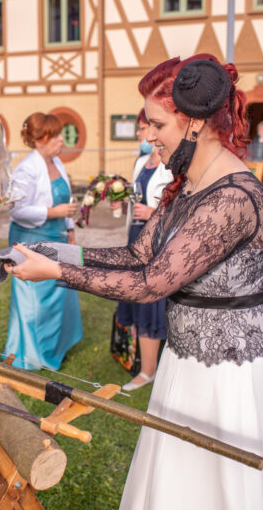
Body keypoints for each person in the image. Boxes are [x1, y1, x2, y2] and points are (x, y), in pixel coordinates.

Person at [3, 55, 263, 508]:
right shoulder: (188, 185)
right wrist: (56, 251)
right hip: (185, 366)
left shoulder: (231, 196)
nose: (149, 136)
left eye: (155, 124)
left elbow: (152, 282)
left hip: (233, 380)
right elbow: (138, 254)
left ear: (192, 123)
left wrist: (54, 272)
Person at [3, 112, 82, 370]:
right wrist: (51, 213)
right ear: (39, 140)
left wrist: (69, 228)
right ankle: (29, 356)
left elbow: (65, 201)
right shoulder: (26, 168)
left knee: (59, 295)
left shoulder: (57, 163)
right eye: (56, 135)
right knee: (35, 302)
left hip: (57, 237)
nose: (62, 139)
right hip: (31, 241)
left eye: (61, 134)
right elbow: (16, 209)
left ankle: (54, 348)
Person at [110, 109, 173, 391]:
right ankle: (137, 358)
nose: (139, 135)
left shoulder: (172, 164)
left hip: (158, 239)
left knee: (150, 300)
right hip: (136, 236)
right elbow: (135, 198)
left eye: (142, 128)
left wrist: (153, 212)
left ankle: (149, 371)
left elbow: (180, 207)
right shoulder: (140, 162)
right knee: (134, 295)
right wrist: (120, 203)